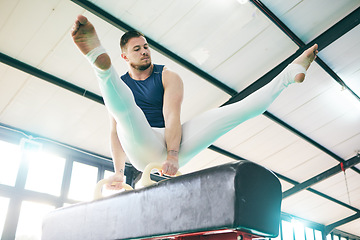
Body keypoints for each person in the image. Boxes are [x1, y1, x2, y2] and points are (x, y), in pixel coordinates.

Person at [71, 15, 318, 190]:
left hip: (172, 144)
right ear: (124, 56)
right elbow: (115, 131)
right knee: (126, 113)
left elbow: (172, 118)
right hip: (140, 144)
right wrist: (117, 172)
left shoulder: (168, 76)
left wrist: (173, 155)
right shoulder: (122, 87)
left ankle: (289, 74)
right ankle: (99, 62)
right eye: (137, 49)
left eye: (146, 46)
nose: (145, 51)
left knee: (235, 111)